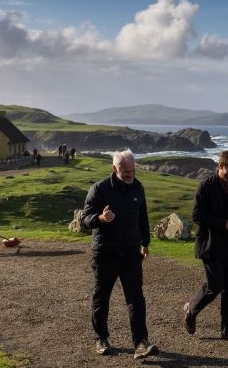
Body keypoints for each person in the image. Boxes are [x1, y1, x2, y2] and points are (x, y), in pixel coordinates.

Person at [81, 150, 158, 359]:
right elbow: (84, 219)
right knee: (102, 296)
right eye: (125, 171)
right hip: (105, 252)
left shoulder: (138, 188)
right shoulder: (100, 189)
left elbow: (143, 218)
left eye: (133, 171)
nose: (130, 175)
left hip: (131, 253)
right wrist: (101, 218)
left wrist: (146, 243)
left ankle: (141, 342)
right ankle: (101, 338)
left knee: (136, 298)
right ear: (115, 169)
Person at [183, 150, 228, 343]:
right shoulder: (206, 186)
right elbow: (197, 216)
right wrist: (224, 224)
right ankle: (190, 309)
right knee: (216, 285)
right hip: (210, 244)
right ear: (220, 166)